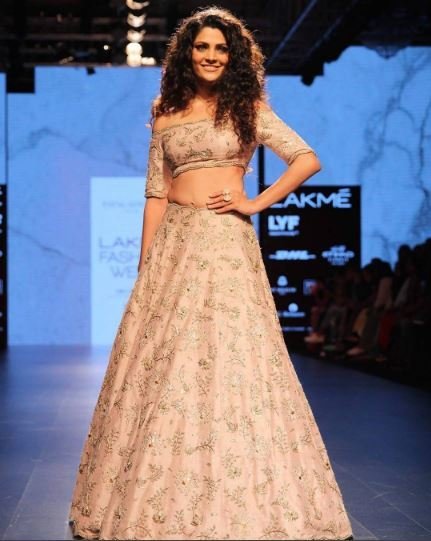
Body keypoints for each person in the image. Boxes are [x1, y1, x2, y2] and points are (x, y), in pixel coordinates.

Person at [68, 6, 354, 540]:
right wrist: (146, 267)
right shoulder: (165, 113)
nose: (212, 56)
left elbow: (305, 159)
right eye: (202, 47)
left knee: (230, 355)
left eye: (221, 49)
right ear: (187, 53)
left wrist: (255, 202)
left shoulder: (247, 108)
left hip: (224, 242)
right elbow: (155, 194)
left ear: (234, 56)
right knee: (166, 362)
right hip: (174, 245)